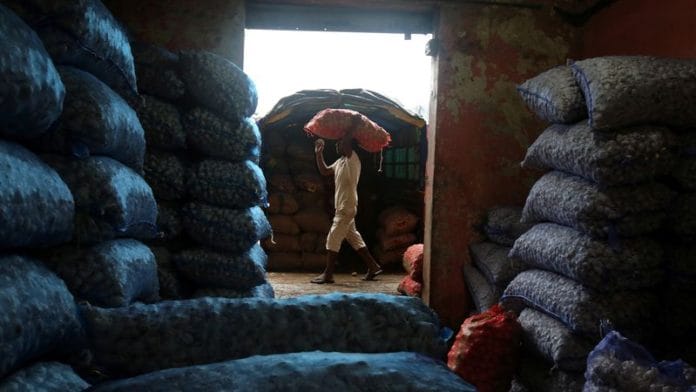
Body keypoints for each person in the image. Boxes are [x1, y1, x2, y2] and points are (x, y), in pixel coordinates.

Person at [310, 122, 383, 284]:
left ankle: (328, 274)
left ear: (348, 145)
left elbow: (348, 139)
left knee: (333, 237)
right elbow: (324, 171)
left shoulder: (352, 158)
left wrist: (354, 123)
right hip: (344, 207)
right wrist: (318, 153)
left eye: (340, 142)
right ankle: (373, 266)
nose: (337, 144)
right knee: (354, 238)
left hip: (346, 207)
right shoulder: (340, 161)